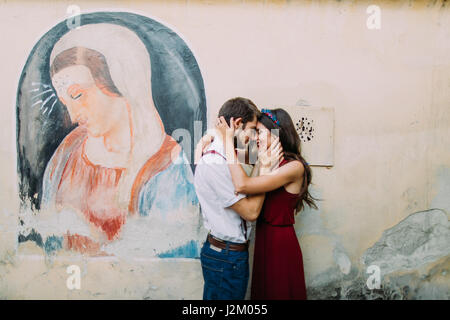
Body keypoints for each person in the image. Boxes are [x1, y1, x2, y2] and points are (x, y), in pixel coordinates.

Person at [40, 23, 200, 256]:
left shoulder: (164, 163)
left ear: (120, 81)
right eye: (66, 103)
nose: (73, 116)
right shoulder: (68, 150)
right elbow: (50, 242)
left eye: (78, 95)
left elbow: (171, 260)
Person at [214, 108, 318, 300]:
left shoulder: (293, 167)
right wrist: (262, 164)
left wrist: (227, 141)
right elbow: (247, 189)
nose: (255, 138)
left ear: (279, 133)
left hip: (280, 243)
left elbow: (242, 185)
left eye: (260, 132)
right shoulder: (267, 161)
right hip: (263, 239)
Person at [194, 98, 282, 300]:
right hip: (226, 257)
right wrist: (265, 169)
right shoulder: (216, 162)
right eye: (252, 129)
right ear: (236, 124)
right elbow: (250, 212)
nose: (252, 137)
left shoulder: (224, 156)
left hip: (227, 255)